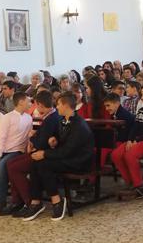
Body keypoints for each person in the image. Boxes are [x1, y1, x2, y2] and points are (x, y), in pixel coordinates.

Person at [24, 93, 94, 221]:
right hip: (68, 157)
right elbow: (63, 142)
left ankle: (57, 201)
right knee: (36, 162)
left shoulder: (79, 125)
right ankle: (36, 202)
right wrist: (54, 140)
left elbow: (68, 151)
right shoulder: (64, 120)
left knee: (43, 163)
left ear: (66, 105)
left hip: (79, 161)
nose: (57, 107)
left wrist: (44, 153)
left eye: (59, 104)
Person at [6, 90, 61, 216]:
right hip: (40, 150)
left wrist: (32, 137)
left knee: (14, 167)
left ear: (40, 105)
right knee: (10, 164)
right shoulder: (49, 116)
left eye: (36, 104)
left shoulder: (51, 118)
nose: (35, 107)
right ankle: (17, 201)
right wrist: (35, 137)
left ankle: (31, 201)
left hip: (45, 154)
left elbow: (42, 143)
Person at [111, 83, 143, 197]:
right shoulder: (141, 110)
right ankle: (130, 182)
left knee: (130, 155)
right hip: (137, 140)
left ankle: (138, 185)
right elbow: (135, 126)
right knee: (116, 154)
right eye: (142, 95)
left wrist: (137, 140)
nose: (142, 97)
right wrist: (130, 140)